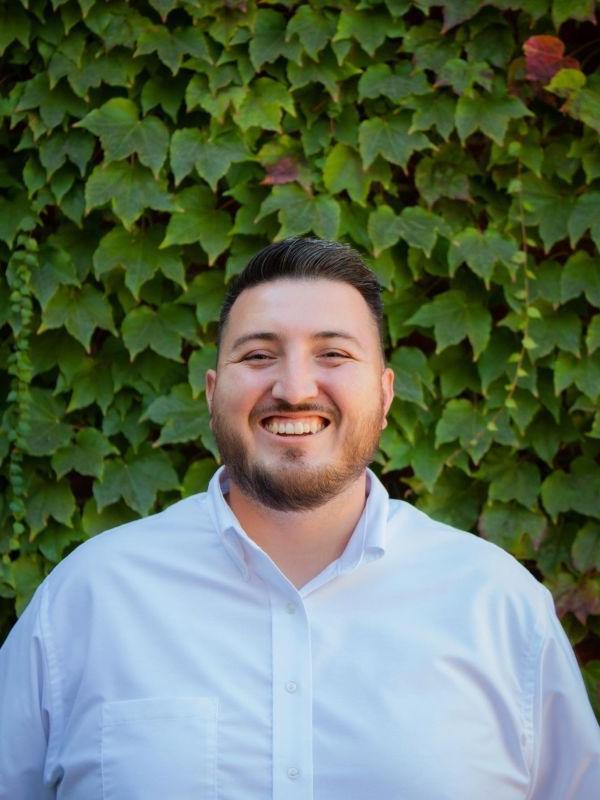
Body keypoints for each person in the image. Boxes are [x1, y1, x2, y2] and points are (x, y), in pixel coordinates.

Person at [0, 237, 598, 799]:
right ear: (211, 395)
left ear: (385, 394)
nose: (293, 387)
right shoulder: (88, 599)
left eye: (333, 353)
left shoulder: (499, 606)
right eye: (258, 355)